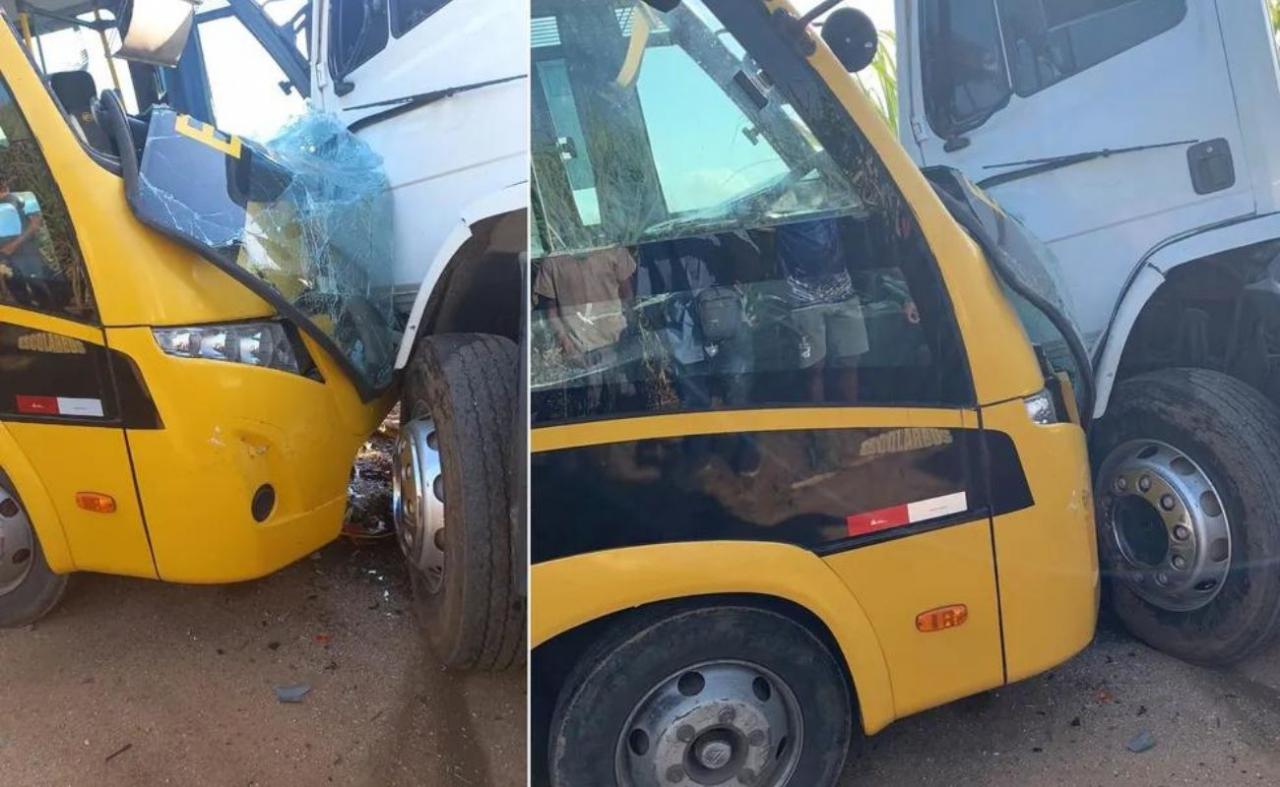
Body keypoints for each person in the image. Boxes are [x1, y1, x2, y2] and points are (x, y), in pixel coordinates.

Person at [534, 247, 636, 412]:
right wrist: (567, 345)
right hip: (581, 351)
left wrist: (628, 337)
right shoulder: (552, 263)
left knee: (625, 401)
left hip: (617, 345)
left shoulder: (614, 250)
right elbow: (550, 313)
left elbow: (628, 296)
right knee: (590, 406)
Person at [0, 178, 50, 309]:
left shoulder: (24, 198)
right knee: (15, 286)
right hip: (4, 254)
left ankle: (51, 312)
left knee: (37, 283)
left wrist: (15, 244)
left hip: (26, 250)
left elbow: (35, 224)